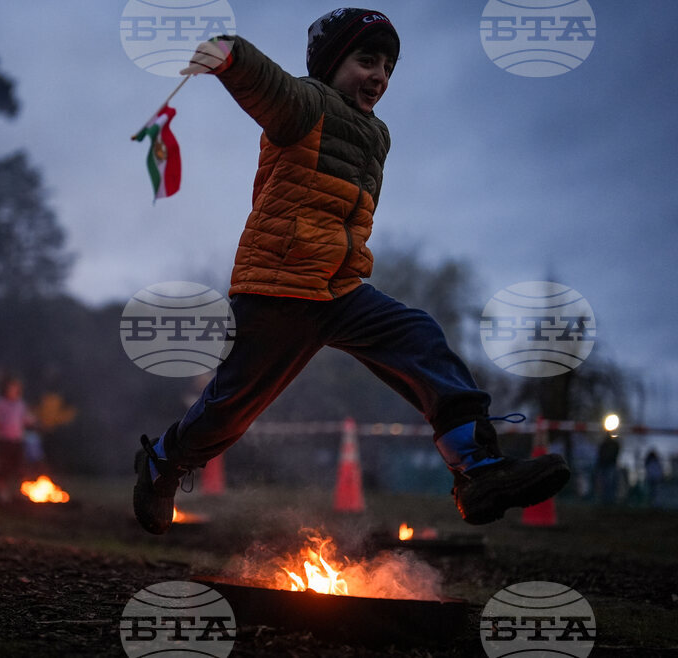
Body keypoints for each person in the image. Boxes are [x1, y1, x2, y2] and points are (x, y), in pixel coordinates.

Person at [132, 8, 570, 535]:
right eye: (367, 60)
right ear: (331, 62)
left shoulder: (376, 135)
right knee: (231, 410)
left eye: (388, 67)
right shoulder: (307, 105)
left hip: (339, 290)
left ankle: (477, 467)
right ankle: (163, 461)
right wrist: (232, 55)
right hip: (280, 288)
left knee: (418, 336)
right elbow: (271, 87)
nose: (379, 76)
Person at [0, 377, 35, 501]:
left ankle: (19, 492)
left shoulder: (20, 404)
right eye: (11, 388)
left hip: (17, 441)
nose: (13, 391)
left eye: (16, 388)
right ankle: (2, 493)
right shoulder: (0, 403)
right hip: (4, 440)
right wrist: (0, 425)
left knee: (19, 467)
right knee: (3, 467)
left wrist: (32, 420)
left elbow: (26, 419)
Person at [594, 432, 620, 505]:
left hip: (610, 465)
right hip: (604, 466)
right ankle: (605, 500)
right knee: (604, 483)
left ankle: (610, 500)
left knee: (610, 483)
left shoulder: (614, 444)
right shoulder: (603, 444)